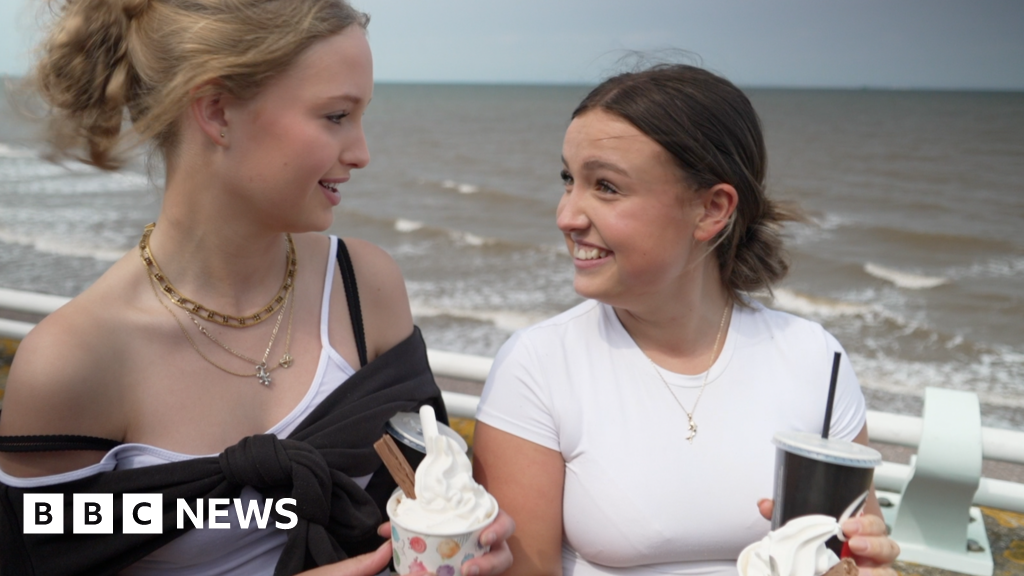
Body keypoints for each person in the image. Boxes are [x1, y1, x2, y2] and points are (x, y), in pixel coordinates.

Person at [0, 1, 512, 575]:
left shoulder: (365, 289)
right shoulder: (72, 363)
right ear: (217, 112)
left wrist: (466, 536)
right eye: (337, 116)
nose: (362, 154)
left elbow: (424, 485)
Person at [473, 64, 900, 576]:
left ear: (712, 209)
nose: (567, 216)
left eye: (605, 186)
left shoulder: (815, 360)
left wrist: (870, 564)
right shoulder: (539, 365)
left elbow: (852, 552)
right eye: (569, 180)